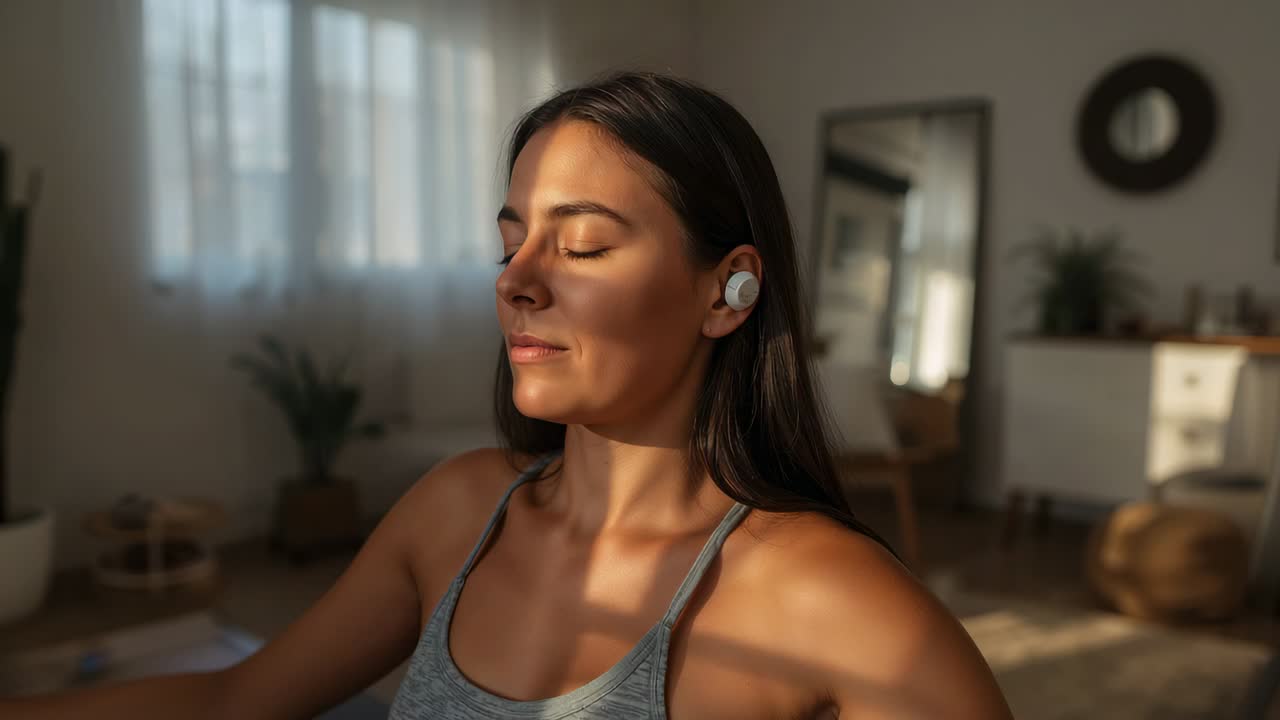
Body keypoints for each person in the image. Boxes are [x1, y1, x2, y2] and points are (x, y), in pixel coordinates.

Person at [4, 70, 1011, 719]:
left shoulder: (831, 603)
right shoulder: (456, 510)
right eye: (510, 241)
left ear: (726, 290)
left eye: (583, 244)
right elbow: (234, 702)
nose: (515, 279)